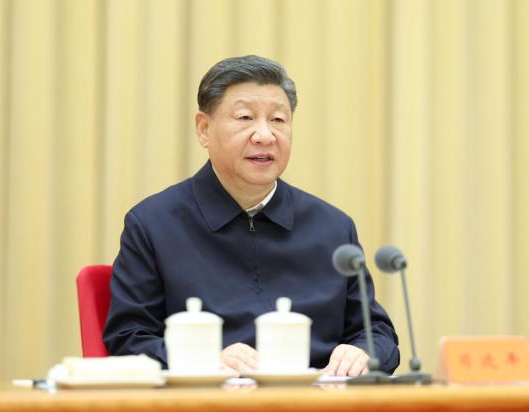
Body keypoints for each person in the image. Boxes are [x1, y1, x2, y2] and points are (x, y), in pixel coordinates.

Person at [103, 55, 400, 376]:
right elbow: (128, 339)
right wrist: (203, 361)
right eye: (245, 117)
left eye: (278, 120)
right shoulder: (154, 224)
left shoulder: (333, 228)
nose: (265, 135)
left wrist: (361, 352)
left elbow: (378, 335)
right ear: (204, 129)